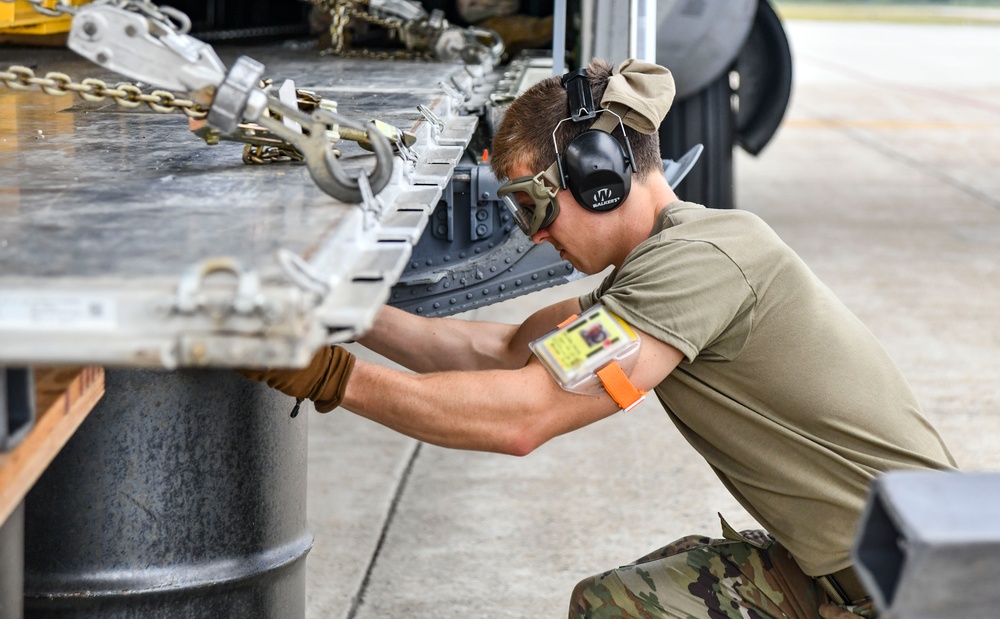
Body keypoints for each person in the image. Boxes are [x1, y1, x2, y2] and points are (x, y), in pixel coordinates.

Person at [239, 58, 957, 618]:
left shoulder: (700, 266)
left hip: (920, 590)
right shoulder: (661, 267)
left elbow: (525, 416)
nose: (536, 234)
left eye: (534, 204)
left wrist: (329, 376)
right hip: (868, 562)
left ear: (600, 179)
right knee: (615, 601)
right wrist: (341, 312)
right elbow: (500, 351)